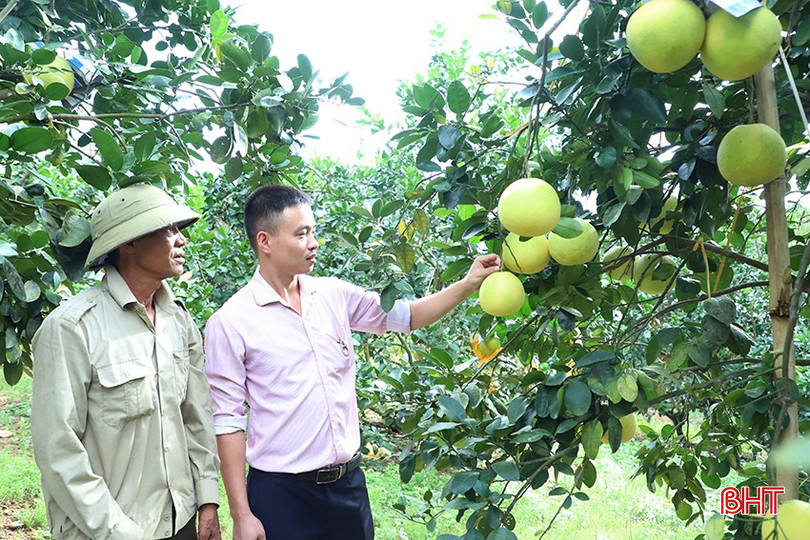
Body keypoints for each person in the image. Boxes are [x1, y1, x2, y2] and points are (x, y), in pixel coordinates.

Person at [204, 184, 500, 540]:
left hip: (348, 487)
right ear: (265, 241)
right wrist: (241, 514)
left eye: (313, 231)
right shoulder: (232, 321)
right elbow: (228, 421)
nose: (313, 242)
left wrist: (468, 284)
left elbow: (405, 317)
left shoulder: (333, 294)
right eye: (302, 234)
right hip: (281, 495)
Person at [31, 183, 221, 540]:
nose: (181, 240)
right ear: (129, 243)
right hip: (106, 530)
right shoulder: (72, 328)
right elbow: (58, 450)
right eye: (168, 229)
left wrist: (207, 500)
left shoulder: (178, 321)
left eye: (179, 230)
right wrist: (119, 532)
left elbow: (195, 418)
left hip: (179, 521)